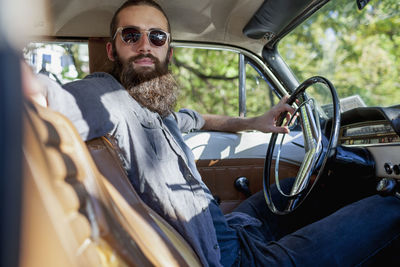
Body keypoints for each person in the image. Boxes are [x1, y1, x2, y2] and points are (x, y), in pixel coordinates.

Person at [39, 0, 400, 266]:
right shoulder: (108, 97)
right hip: (235, 261)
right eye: (131, 35)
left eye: (157, 36)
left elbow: (194, 119)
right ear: (112, 49)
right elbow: (49, 96)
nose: (144, 44)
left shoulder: (150, 110)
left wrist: (253, 122)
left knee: (319, 181)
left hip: (230, 230)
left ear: (169, 48)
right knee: (392, 208)